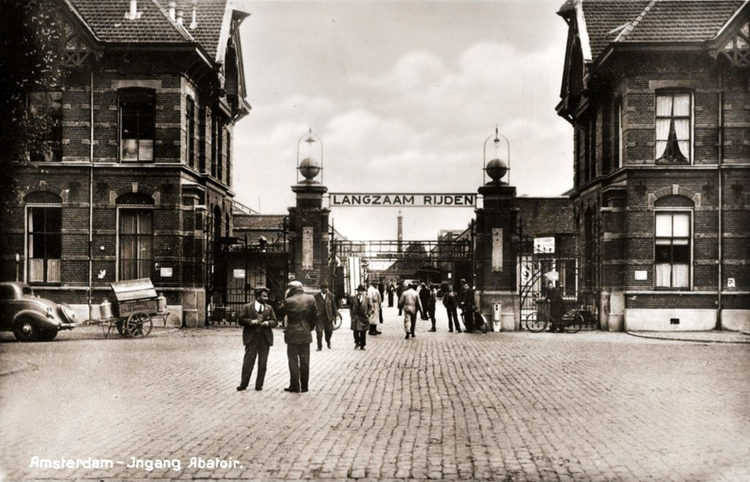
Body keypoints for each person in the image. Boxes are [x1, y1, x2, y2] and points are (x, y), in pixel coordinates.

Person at [237, 287, 278, 391]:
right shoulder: (247, 307)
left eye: (267, 296)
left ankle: (259, 385)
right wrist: (251, 322)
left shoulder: (269, 308)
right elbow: (240, 320)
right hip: (252, 338)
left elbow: (275, 321)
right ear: (257, 296)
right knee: (248, 362)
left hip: (265, 339)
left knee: (263, 363)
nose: (266, 298)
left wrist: (268, 323)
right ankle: (244, 384)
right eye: (264, 296)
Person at [283, 281, 318, 393]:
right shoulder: (311, 299)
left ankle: (294, 385)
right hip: (305, 333)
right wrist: (309, 328)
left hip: (292, 334)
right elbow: (315, 316)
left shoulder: (288, 301)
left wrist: (286, 296)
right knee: (305, 361)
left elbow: (279, 313)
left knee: (293, 361)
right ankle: (305, 386)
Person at [314, 281, 338, 351]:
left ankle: (328, 341)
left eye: (326, 288)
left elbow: (334, 306)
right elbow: (314, 306)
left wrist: (335, 315)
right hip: (319, 318)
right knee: (319, 332)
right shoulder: (316, 297)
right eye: (324, 288)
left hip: (328, 317)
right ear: (321, 289)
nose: (326, 289)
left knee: (329, 331)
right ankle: (319, 346)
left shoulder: (331, 296)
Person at [350, 284, 371, 349]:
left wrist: (368, 314)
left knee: (363, 332)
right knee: (355, 331)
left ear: (364, 291)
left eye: (361, 291)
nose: (360, 292)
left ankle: (362, 345)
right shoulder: (353, 298)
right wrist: (351, 315)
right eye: (359, 291)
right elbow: (351, 307)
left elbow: (370, 306)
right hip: (356, 317)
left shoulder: (367, 298)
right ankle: (357, 342)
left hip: (363, 317)